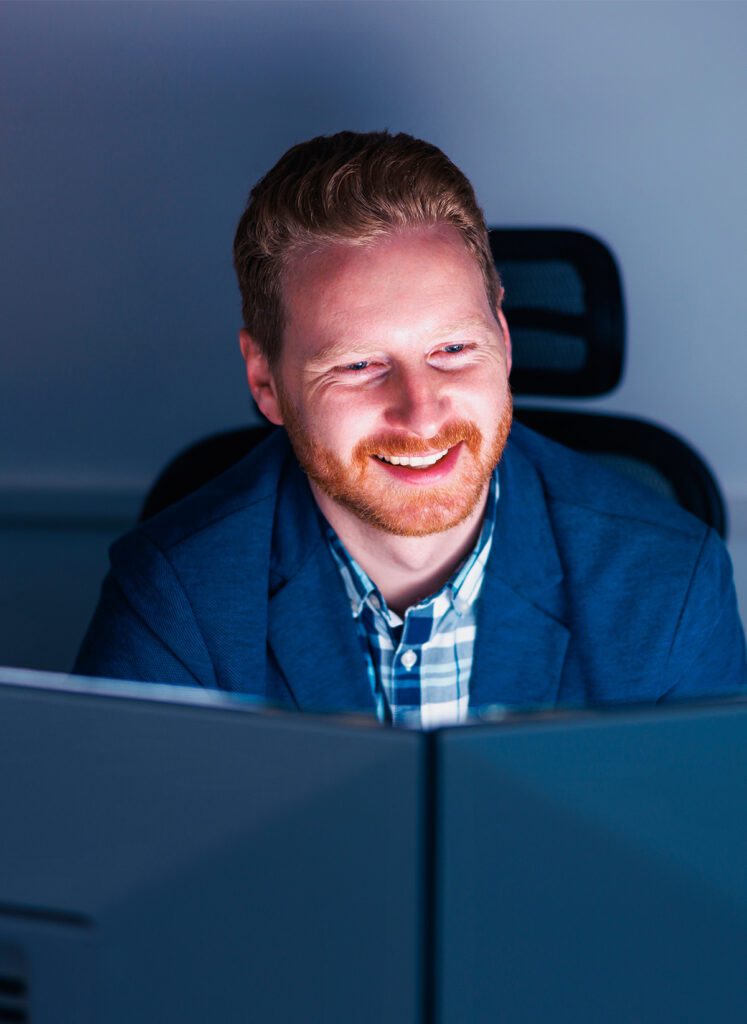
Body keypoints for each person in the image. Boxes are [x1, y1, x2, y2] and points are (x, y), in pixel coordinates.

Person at [74, 130, 746, 725]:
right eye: (360, 364)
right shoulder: (174, 598)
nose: (420, 415)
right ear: (264, 381)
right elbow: (128, 859)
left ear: (504, 342)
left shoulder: (669, 582)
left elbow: (699, 858)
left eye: (453, 350)